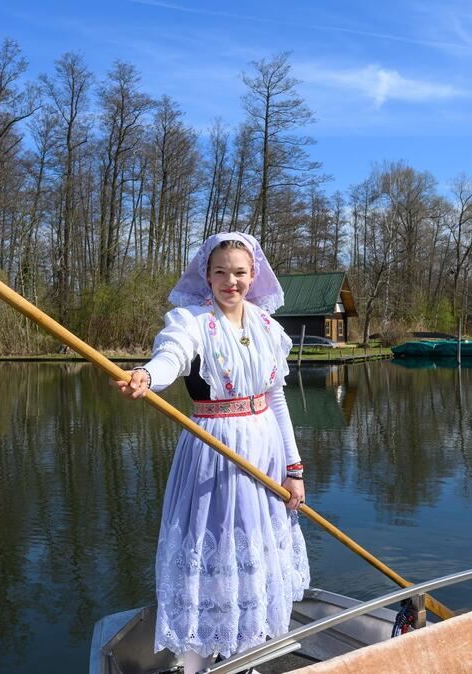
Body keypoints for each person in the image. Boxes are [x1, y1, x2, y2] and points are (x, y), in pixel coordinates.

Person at [112, 232, 310, 672]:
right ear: (207, 275)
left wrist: (294, 469)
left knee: (254, 555)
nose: (230, 281)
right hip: (213, 452)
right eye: (220, 272)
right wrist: (147, 376)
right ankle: (198, 661)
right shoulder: (191, 321)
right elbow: (171, 357)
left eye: (239, 272)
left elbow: (276, 400)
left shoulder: (267, 328)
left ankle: (246, 658)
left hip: (265, 454)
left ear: (253, 275)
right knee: (212, 551)